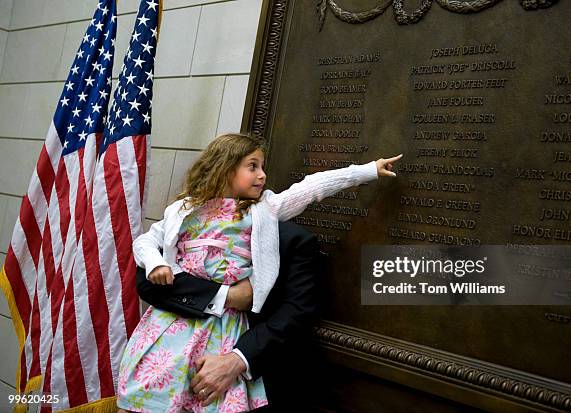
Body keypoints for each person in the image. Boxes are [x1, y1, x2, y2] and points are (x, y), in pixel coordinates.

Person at [116, 133, 401, 413]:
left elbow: (312, 187)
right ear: (225, 168)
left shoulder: (264, 209)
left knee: (207, 397)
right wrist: (156, 263)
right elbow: (145, 241)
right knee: (151, 391)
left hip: (222, 327)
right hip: (171, 321)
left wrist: (368, 170)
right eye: (252, 166)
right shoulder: (184, 209)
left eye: (262, 166)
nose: (262, 175)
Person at [134, 219, 323, 412]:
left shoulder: (293, 239)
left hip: (244, 384)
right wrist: (226, 296)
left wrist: (237, 361)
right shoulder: (187, 218)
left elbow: (297, 310)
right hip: (164, 371)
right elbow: (147, 282)